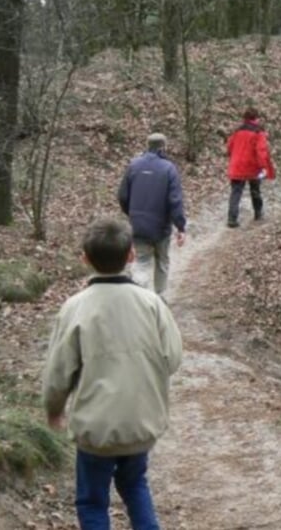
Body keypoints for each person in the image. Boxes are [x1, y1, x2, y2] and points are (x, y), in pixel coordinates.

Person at [41, 218, 183, 530]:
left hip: (96, 430)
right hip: (140, 423)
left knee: (92, 501)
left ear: (85, 259)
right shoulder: (152, 304)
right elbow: (173, 358)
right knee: (135, 486)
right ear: (131, 255)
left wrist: (54, 409)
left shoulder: (75, 308)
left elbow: (58, 371)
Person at [117, 133, 187, 298]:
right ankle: (160, 298)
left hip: (138, 224)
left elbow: (122, 196)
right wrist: (180, 226)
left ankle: (139, 298)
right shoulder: (169, 168)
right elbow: (175, 200)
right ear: (163, 146)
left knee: (141, 262)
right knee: (162, 261)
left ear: (147, 145)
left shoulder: (133, 166)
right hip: (161, 226)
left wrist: (132, 213)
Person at [225, 107, 276, 228]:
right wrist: (264, 167)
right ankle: (258, 213)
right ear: (256, 118)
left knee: (236, 192)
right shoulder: (258, 133)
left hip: (236, 165)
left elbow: (229, 148)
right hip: (252, 166)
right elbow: (261, 151)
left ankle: (232, 219)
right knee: (255, 190)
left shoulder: (237, 131)